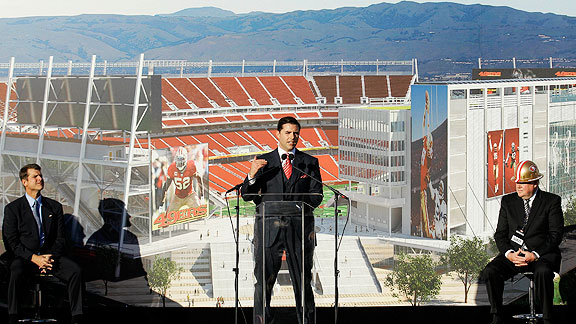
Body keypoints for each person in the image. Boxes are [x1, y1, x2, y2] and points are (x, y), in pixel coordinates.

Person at [241, 116, 323, 324]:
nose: (292, 137)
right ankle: (261, 320)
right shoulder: (264, 162)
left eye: (296, 133)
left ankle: (306, 321)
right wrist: (251, 175)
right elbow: (248, 196)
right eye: (287, 133)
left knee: (303, 282)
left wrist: (300, 207)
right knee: (263, 282)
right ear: (278, 134)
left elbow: (317, 195)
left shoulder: (309, 163)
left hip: (299, 231)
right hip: (269, 231)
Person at [482, 160, 563, 324]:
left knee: (543, 272)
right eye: (517, 182)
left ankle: (547, 317)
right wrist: (509, 254)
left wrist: (535, 254)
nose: (518, 186)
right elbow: (500, 234)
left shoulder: (551, 201)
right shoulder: (507, 202)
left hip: (541, 255)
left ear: (534, 183)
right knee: (491, 271)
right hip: (515, 255)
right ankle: (496, 316)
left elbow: (555, 235)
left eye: (523, 183)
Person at [2, 164, 83, 324]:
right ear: (25, 182)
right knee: (16, 270)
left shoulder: (54, 207)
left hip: (49, 256)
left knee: (75, 271)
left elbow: (60, 238)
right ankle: (13, 316)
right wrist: (34, 258)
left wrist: (48, 257)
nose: (40, 179)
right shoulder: (13, 209)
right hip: (25, 258)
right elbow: (11, 242)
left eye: (40, 176)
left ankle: (77, 317)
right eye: (35, 177)